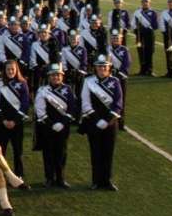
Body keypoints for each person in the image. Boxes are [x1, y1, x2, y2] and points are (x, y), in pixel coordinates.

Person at [80, 55, 123, 191]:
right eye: (100, 66)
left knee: (108, 153)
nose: (102, 68)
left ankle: (107, 180)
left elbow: (118, 103)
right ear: (95, 68)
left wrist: (108, 120)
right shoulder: (88, 81)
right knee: (96, 152)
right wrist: (97, 120)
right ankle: (96, 181)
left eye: (105, 66)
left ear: (109, 67)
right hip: (94, 123)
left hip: (111, 124)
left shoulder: (115, 82)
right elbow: (85, 103)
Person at [34, 64, 76, 189]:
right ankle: (49, 178)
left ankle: (61, 178)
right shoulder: (43, 90)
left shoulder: (68, 89)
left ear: (62, 76)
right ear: (49, 77)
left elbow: (72, 107)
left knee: (62, 153)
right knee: (48, 153)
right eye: (53, 75)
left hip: (63, 127)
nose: (56, 77)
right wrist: (51, 124)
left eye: (58, 75)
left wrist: (62, 123)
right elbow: (40, 110)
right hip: (48, 127)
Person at [0, 59, 30, 177]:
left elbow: (25, 104)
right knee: (0, 151)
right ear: (4, 70)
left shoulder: (22, 83)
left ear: (16, 69)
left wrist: (15, 121)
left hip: (17, 123)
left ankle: (19, 175)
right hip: (2, 122)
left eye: (12, 69)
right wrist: (3, 120)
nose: (10, 71)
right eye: (8, 69)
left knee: (18, 151)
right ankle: (0, 174)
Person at [132, 0, 158, 77]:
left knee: (149, 52)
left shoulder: (153, 13)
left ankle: (150, 70)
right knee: (141, 52)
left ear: (149, 3)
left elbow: (155, 26)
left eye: (146, 2)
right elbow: (133, 24)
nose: (144, 3)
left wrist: (147, 28)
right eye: (143, 2)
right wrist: (137, 30)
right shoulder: (137, 12)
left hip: (149, 35)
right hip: (139, 35)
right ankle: (142, 70)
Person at [107, 30, 130, 128]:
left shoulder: (124, 50)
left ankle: (121, 122)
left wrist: (120, 74)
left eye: (117, 38)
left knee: (121, 101)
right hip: (109, 79)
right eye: (113, 38)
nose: (115, 40)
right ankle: (109, 121)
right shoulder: (107, 49)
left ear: (121, 39)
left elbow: (127, 64)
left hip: (121, 79)